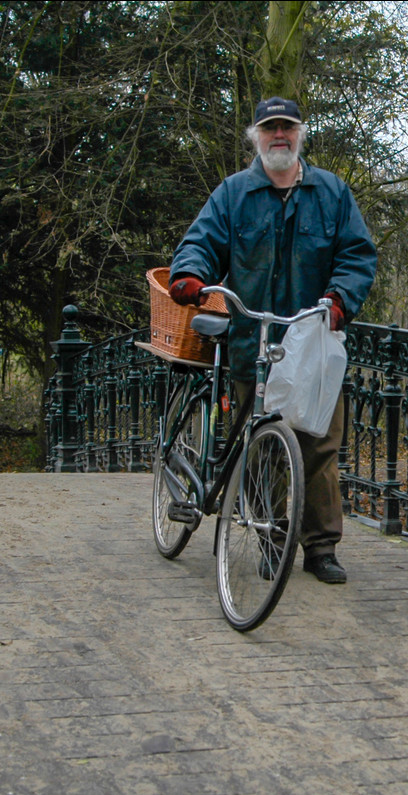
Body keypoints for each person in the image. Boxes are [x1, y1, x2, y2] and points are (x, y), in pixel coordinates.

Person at [166, 97, 377, 585]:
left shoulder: (331, 193)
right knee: (260, 446)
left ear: (301, 133)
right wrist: (192, 274)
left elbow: (357, 253)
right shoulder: (234, 193)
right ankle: (270, 536)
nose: (278, 135)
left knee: (320, 445)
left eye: (287, 127)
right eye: (269, 128)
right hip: (252, 340)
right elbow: (201, 241)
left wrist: (340, 298)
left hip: (314, 342)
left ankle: (321, 547)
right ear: (255, 136)